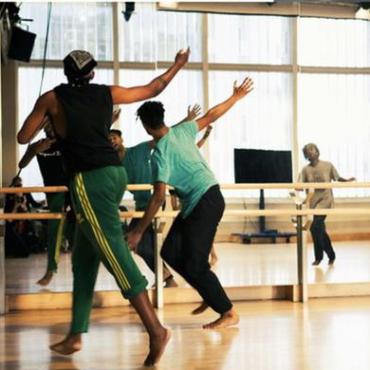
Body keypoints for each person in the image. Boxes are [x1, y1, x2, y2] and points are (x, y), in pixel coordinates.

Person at [17, 48, 189, 366]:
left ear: (67, 74)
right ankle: (75, 334)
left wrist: (49, 120)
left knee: (114, 254)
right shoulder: (106, 93)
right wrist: (177, 65)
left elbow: (23, 135)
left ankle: (156, 330)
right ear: (92, 74)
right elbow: (154, 88)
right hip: (114, 175)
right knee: (84, 258)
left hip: (87, 180)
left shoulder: (52, 98)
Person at [128, 77, 254, 329]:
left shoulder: (160, 156)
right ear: (162, 118)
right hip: (203, 200)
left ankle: (228, 311)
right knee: (170, 252)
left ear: (145, 126)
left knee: (195, 265)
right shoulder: (182, 130)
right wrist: (236, 97)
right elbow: (211, 115)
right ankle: (209, 290)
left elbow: (159, 197)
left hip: (205, 200)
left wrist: (138, 231)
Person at [109, 105, 210, 288]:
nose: (112, 142)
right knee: (141, 243)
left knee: (139, 242)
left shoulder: (138, 150)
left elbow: (163, 135)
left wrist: (186, 120)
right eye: (108, 140)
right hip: (140, 205)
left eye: (114, 138)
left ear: (121, 139)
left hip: (153, 202)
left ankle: (164, 277)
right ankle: (166, 277)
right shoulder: (114, 165)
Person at [18, 122, 72, 286]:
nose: (49, 128)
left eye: (52, 124)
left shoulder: (67, 142)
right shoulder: (38, 145)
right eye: (46, 125)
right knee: (54, 230)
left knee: (77, 229)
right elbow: (22, 164)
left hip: (72, 189)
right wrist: (34, 151)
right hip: (54, 192)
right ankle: (51, 269)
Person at [299, 143, 355, 266]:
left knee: (315, 227)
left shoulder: (327, 165)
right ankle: (330, 254)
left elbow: (337, 177)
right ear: (306, 155)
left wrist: (347, 180)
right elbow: (299, 186)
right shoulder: (305, 170)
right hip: (312, 204)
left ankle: (319, 257)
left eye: (313, 150)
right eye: (308, 151)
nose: (311, 152)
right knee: (318, 230)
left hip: (325, 202)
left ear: (318, 151)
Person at [4, 176, 43, 257]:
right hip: (15, 226)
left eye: (20, 185)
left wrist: (24, 206)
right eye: (17, 186)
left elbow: (29, 216)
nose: (19, 189)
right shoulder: (10, 197)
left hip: (25, 225)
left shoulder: (26, 193)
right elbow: (9, 220)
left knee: (34, 236)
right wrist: (16, 205)